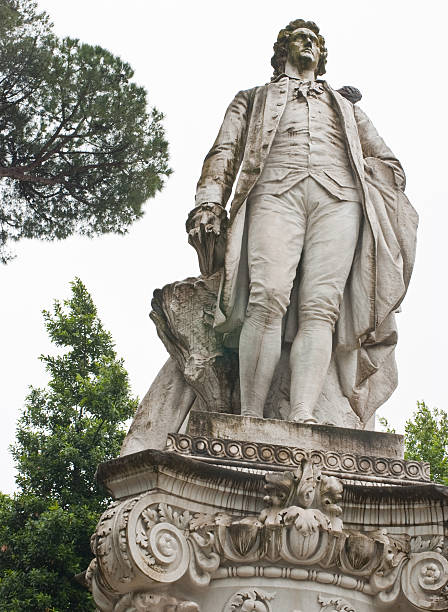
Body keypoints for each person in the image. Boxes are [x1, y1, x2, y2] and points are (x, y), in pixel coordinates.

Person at [187, 19, 417, 426]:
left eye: (314, 40)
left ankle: (303, 414)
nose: (308, 43)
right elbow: (224, 151)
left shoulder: (347, 108)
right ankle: (251, 417)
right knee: (267, 296)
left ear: (321, 55)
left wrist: (361, 175)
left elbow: (390, 164)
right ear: (284, 50)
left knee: (321, 308)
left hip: (340, 200)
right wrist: (208, 202)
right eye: (299, 38)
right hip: (274, 191)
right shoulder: (253, 98)